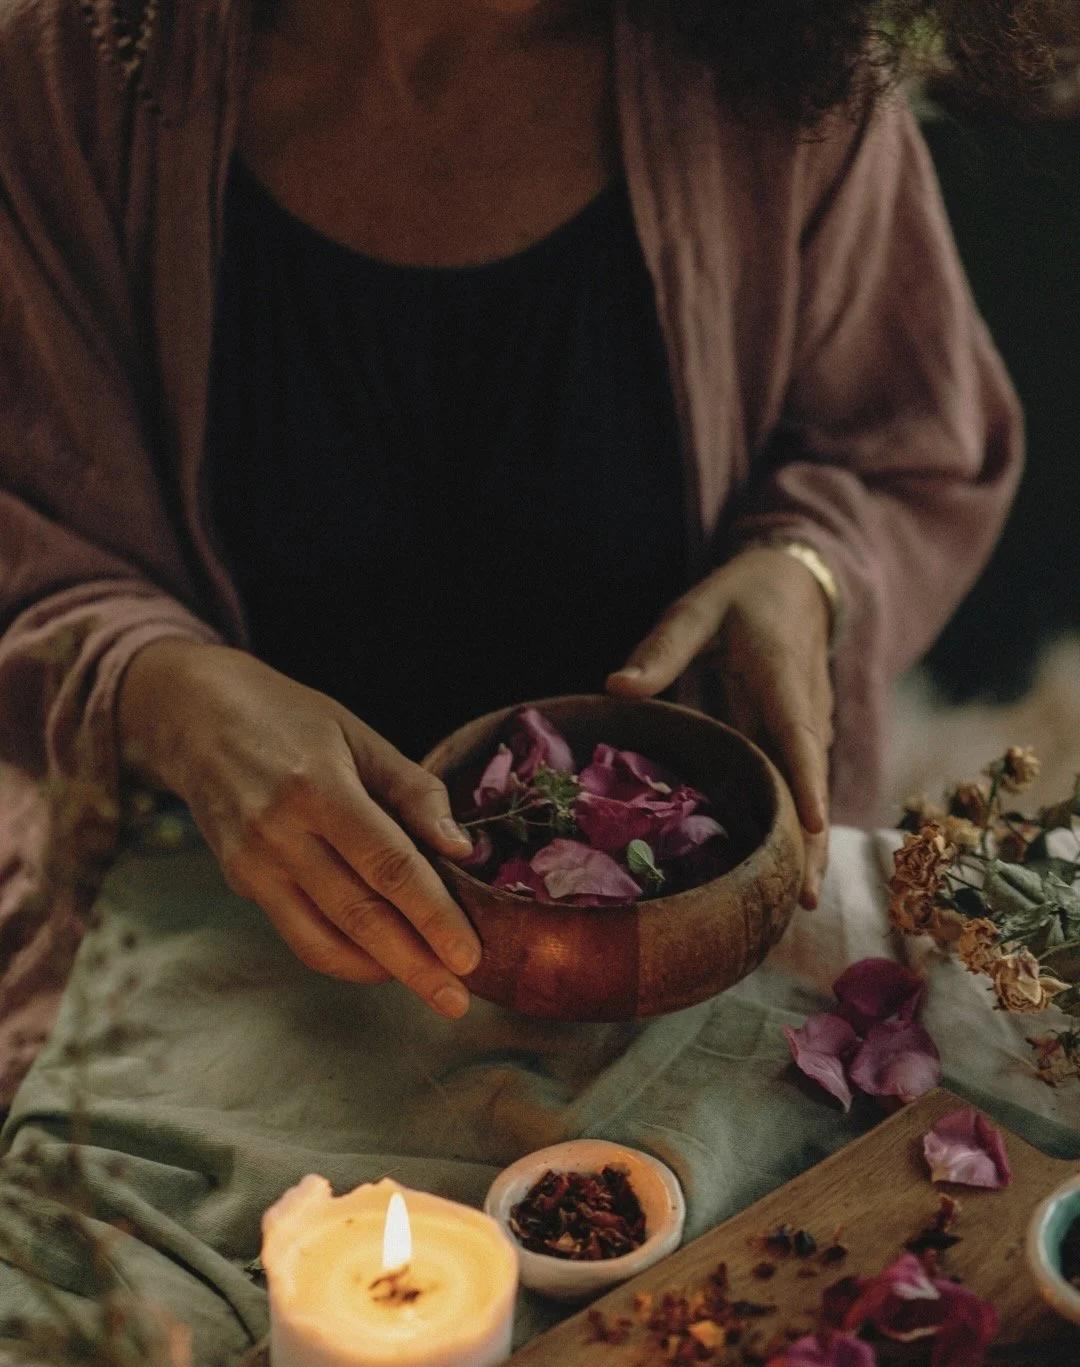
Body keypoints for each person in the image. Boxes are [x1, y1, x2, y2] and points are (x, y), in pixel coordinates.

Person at [0, 0, 1056, 1094]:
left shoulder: (779, 65)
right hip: (223, 955)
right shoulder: (60, 88)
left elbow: (908, 447)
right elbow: (29, 536)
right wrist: (164, 694)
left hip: (701, 987)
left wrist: (805, 569)